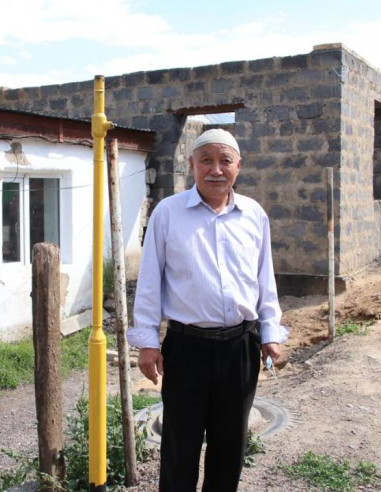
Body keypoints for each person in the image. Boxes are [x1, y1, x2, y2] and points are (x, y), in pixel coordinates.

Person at [127, 128, 288, 491]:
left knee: (230, 448)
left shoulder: (254, 215)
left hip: (240, 348)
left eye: (224, 161)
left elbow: (265, 280)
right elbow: (150, 283)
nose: (216, 170)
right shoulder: (168, 214)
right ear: (192, 166)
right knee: (179, 448)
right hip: (187, 349)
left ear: (238, 166)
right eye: (206, 161)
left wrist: (270, 333)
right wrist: (147, 344)